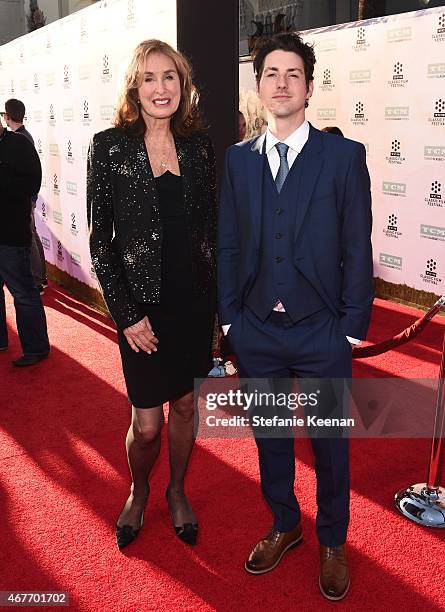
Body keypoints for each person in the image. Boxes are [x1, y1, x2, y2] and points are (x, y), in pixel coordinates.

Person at [217, 33, 373, 601]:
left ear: (309, 85)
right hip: (256, 331)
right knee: (271, 436)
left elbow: (358, 244)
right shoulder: (237, 160)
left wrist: (353, 324)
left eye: (292, 74)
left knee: (330, 441)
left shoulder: (343, 157)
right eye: (270, 74)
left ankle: (333, 539)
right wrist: (231, 319)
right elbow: (229, 243)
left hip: (323, 330)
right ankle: (286, 524)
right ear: (258, 87)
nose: (281, 84)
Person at [87, 39, 217, 550]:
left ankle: (177, 491)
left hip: (192, 303)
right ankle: (138, 492)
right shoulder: (109, 146)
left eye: (170, 77)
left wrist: (217, 312)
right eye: (149, 78)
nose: (161, 88)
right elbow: (102, 241)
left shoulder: (198, 147)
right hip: (141, 309)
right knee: (145, 425)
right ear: (133, 88)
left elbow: (211, 228)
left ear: (183, 86)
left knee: (186, 408)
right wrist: (126, 315)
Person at [0, 113, 50, 366]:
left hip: (10, 234)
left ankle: (36, 348)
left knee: (23, 292)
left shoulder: (18, 144)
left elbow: (32, 184)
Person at [3, 99, 48, 294]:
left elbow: (29, 174)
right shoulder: (21, 136)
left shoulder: (20, 139)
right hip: (26, 197)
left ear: (7, 116)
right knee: (32, 234)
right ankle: (40, 277)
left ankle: (37, 279)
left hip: (23, 199)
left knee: (29, 236)